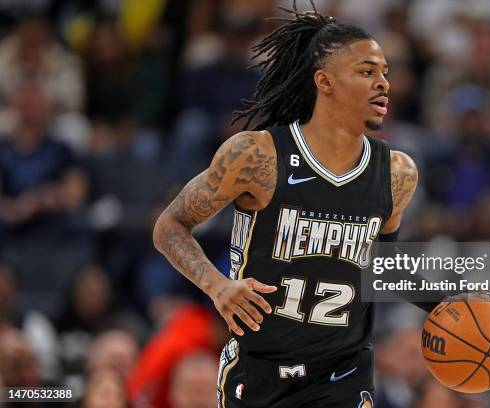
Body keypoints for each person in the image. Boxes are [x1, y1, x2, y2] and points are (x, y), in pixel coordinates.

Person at [153, 3, 426, 407]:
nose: (383, 83)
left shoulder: (396, 173)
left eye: (385, 72)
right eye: (367, 72)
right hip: (259, 373)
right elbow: (169, 227)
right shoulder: (257, 157)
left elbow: (383, 266)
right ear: (325, 82)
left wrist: (452, 298)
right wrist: (217, 286)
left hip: (344, 374)